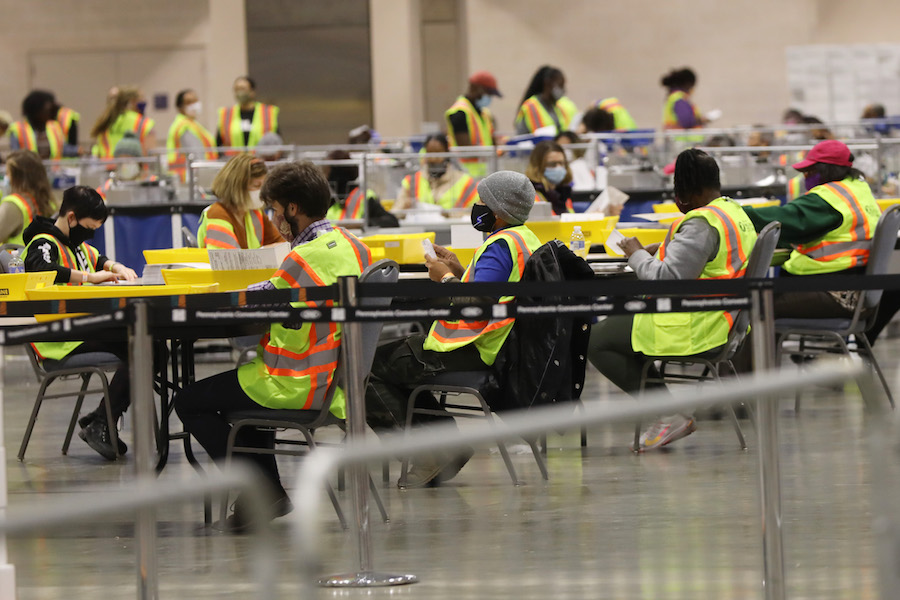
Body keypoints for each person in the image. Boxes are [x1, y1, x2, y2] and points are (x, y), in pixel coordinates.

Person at [174, 161, 372, 530]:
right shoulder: (354, 246)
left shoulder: (303, 259)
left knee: (187, 401)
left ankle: (259, 493)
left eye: (275, 210)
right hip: (337, 382)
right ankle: (267, 498)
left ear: (292, 209)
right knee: (242, 406)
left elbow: (254, 301)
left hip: (295, 382)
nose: (274, 218)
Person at [366, 170, 542, 487]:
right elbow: (493, 291)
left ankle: (429, 453)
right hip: (497, 346)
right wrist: (459, 270)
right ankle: (443, 445)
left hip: (472, 347)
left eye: (482, 202)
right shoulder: (524, 239)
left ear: (498, 211)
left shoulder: (500, 244)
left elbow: (478, 305)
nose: (477, 208)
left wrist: (445, 279)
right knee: (395, 364)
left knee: (366, 371)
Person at [587, 149, 757, 450]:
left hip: (697, 324)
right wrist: (665, 250)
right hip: (724, 320)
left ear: (687, 191)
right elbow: (704, 263)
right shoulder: (733, 213)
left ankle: (666, 412)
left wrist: (635, 254)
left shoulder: (701, 222)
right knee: (617, 330)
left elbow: (667, 282)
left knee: (595, 340)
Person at [22, 186, 139, 459]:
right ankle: (101, 421)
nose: (91, 233)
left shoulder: (75, 244)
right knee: (141, 348)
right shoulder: (44, 243)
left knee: (149, 347)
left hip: (82, 327)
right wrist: (90, 278)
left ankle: (101, 419)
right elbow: (42, 269)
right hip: (57, 337)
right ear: (72, 218)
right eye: (89, 227)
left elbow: (98, 258)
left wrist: (116, 267)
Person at [743, 140, 881, 319]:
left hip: (835, 293)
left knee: (752, 305)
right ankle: (772, 346)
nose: (805, 176)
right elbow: (813, 231)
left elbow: (788, 217)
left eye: (810, 171)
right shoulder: (858, 189)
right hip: (857, 289)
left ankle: (764, 347)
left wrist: (737, 213)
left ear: (827, 170)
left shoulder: (829, 198)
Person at [197, 154, 283, 250]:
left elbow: (282, 244)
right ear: (237, 188)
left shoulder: (255, 212)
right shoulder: (217, 214)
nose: (262, 192)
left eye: (263, 186)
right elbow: (228, 259)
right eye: (256, 185)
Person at [395, 134, 479, 212]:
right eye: (430, 153)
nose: (434, 158)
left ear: (447, 153)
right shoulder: (411, 181)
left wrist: (449, 215)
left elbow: (473, 214)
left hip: (452, 227)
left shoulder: (466, 183)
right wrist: (404, 208)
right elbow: (396, 212)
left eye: (438, 153)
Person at [445, 70, 502, 177]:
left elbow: (491, 140)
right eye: (489, 94)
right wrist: (492, 151)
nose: (490, 98)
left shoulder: (485, 113)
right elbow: (465, 149)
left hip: (484, 172)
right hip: (464, 174)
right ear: (477, 88)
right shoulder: (459, 112)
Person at [322, 150, 398, 227]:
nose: (324, 177)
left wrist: (360, 224)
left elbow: (391, 221)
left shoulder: (363, 196)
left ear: (337, 173)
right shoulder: (330, 199)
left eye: (326, 172)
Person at [0, 151, 56, 246]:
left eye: (8, 173)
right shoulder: (50, 203)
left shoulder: (13, 205)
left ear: (18, 178)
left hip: (16, 259)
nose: (6, 177)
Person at [216, 76, 280, 155]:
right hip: (235, 163)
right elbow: (218, 144)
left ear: (252, 92)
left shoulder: (267, 113)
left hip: (261, 162)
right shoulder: (226, 114)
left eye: (243, 89)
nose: (239, 93)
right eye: (236, 89)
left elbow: (277, 142)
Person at [90, 86, 155, 158]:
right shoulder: (143, 122)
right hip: (134, 167)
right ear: (131, 102)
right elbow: (151, 152)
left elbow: (98, 149)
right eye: (141, 98)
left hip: (107, 165)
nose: (143, 101)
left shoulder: (104, 120)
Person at [167, 89, 216, 181]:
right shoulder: (183, 126)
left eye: (195, 100)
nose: (194, 104)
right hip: (190, 176)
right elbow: (196, 153)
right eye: (189, 102)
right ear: (180, 107)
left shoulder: (192, 123)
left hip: (194, 174)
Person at [515, 66, 577, 135]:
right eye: (560, 85)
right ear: (548, 83)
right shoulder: (531, 106)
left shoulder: (556, 106)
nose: (562, 90)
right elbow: (539, 135)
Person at [7, 90, 66, 159]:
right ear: (36, 110)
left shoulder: (54, 127)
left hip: (53, 169)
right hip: (27, 169)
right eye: (48, 109)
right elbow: (15, 154)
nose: (51, 112)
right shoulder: (18, 129)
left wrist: (75, 150)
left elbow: (62, 149)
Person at [526, 140, 573, 214]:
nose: (558, 167)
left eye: (561, 163)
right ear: (537, 166)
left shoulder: (563, 194)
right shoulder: (532, 196)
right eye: (552, 164)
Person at [660, 67, 706, 131]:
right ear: (688, 84)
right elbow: (686, 122)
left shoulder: (673, 98)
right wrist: (702, 120)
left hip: (677, 139)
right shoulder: (679, 99)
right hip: (685, 140)